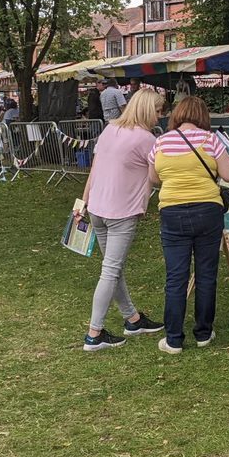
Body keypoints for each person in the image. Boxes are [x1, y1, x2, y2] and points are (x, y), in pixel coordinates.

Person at [149, 96, 229, 354]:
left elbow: (153, 177)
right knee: (206, 273)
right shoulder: (211, 140)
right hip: (208, 210)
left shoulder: (161, 141)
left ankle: (174, 338)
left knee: (176, 277)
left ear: (176, 115)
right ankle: (203, 332)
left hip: (172, 211)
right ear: (203, 116)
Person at [80, 91, 166, 350]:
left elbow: (94, 168)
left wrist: (82, 201)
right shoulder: (147, 139)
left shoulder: (109, 129)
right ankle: (94, 333)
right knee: (110, 271)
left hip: (97, 207)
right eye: (158, 111)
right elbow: (156, 178)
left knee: (112, 268)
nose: (160, 116)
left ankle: (133, 319)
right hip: (121, 212)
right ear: (149, 110)